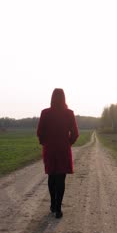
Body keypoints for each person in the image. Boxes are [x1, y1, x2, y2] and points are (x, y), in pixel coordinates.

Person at [37, 88, 79, 218]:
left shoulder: (45, 113)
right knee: (61, 178)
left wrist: (45, 143)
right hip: (63, 149)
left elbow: (40, 132)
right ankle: (59, 209)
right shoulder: (69, 113)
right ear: (64, 98)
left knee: (51, 177)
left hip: (49, 149)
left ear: (52, 98)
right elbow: (75, 133)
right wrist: (68, 143)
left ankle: (53, 204)